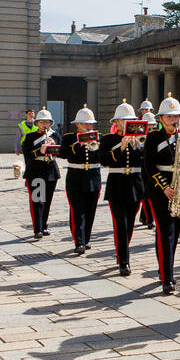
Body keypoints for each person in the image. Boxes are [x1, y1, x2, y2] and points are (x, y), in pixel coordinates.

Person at [142, 96, 180, 294]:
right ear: (161, 119)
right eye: (169, 117)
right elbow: (149, 167)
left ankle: (166, 268)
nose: (173, 120)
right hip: (161, 191)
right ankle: (167, 277)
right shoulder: (153, 137)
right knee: (165, 233)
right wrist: (164, 187)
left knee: (175, 234)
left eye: (175, 116)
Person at [100, 101, 145, 276]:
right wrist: (122, 146)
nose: (127, 123)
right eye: (124, 120)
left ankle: (121, 251)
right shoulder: (108, 139)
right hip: (117, 184)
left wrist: (139, 146)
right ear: (117, 122)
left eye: (130, 120)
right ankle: (124, 261)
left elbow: (146, 160)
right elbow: (104, 160)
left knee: (130, 223)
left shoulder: (141, 138)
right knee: (121, 224)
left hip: (135, 183)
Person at [59, 105, 102, 255]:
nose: (88, 126)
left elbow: (102, 157)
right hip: (75, 177)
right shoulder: (69, 137)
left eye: (90, 124)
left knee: (90, 211)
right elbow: (62, 153)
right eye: (85, 123)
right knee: (78, 211)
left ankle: (86, 238)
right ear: (77, 124)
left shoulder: (98, 137)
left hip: (93, 177)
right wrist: (78, 145)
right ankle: (79, 241)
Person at [20, 109, 61, 239]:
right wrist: (39, 150)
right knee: (38, 200)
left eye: (47, 122)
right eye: (41, 122)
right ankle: (37, 228)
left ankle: (44, 225)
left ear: (50, 123)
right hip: (36, 170)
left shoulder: (55, 135)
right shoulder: (30, 137)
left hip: (51, 171)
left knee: (47, 200)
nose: (44, 124)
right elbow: (28, 155)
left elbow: (62, 152)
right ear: (37, 123)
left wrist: (54, 146)